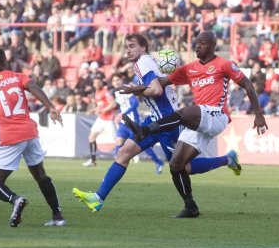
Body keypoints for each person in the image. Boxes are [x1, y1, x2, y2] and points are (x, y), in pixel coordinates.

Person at [73, 33, 241, 214]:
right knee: (123, 153)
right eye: (126, 47)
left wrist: (134, 90)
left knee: (185, 167)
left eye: (131, 46)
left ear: (143, 48)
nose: (127, 50)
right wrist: (135, 89)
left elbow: (155, 89)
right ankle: (98, 198)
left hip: (167, 122)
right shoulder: (148, 62)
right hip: (155, 117)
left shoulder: (142, 63)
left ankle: (227, 159)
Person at [120, 31, 268, 218]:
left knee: (185, 111)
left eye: (202, 43)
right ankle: (190, 207)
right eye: (196, 43)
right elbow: (162, 83)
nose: (197, 46)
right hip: (198, 121)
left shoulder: (225, 65)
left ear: (212, 45)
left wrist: (259, 114)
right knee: (176, 165)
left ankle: (146, 130)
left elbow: (248, 85)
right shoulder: (188, 69)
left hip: (216, 115)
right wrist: (136, 89)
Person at [0, 47, 65, 227]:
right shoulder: (17, 76)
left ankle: (15, 200)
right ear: (4, 61)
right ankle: (58, 216)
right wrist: (50, 107)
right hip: (30, 132)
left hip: (9, 136)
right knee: (41, 175)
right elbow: (33, 86)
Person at [111, 73, 164, 174]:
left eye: (117, 80)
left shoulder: (128, 90)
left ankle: (158, 162)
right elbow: (122, 107)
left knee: (141, 146)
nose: (116, 82)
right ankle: (116, 163)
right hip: (123, 123)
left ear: (122, 80)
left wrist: (123, 114)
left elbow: (135, 104)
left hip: (133, 122)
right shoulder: (116, 93)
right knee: (118, 142)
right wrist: (118, 115)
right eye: (114, 81)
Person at [82, 75, 117, 167]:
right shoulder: (97, 92)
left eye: (99, 82)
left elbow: (112, 104)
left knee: (117, 140)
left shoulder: (106, 92)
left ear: (102, 83)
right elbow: (101, 105)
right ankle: (93, 160)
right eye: (95, 82)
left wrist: (102, 111)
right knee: (91, 137)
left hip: (109, 119)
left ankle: (123, 157)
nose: (97, 84)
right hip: (101, 119)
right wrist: (93, 110)